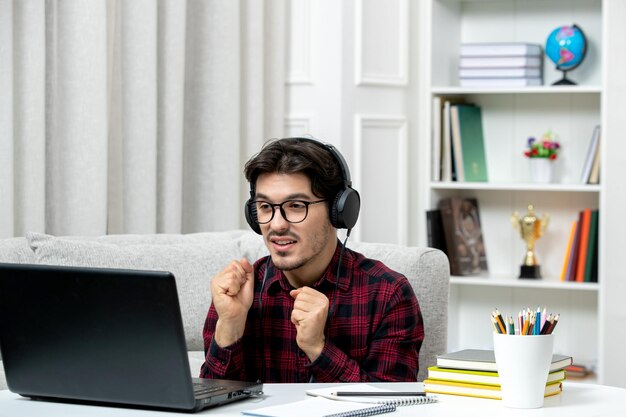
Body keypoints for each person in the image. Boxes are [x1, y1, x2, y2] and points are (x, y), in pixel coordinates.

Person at [200, 137, 423, 383]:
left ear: (338, 211)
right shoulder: (238, 293)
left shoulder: (388, 294)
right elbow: (211, 402)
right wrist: (230, 325)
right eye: (264, 206)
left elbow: (392, 406)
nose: (276, 225)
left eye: (296, 205)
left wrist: (318, 348)